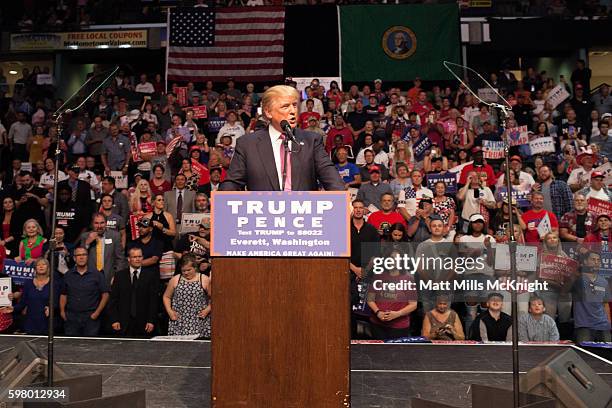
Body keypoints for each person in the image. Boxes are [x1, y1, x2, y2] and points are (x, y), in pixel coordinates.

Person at [220, 85, 344, 191]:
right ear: (268, 112)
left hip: (304, 215)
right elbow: (233, 182)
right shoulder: (247, 144)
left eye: (295, 105)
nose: (293, 111)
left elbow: (329, 174)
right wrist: (221, 205)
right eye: (285, 106)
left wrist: (342, 199)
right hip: (263, 216)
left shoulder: (312, 141)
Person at [60, 247, 110, 337]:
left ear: (87, 257)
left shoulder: (97, 275)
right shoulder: (68, 275)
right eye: (78, 255)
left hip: (90, 317)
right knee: (71, 345)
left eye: (84, 255)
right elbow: (63, 294)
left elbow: (105, 295)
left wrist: (96, 313)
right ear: (74, 258)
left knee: (90, 346)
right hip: (72, 317)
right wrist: (62, 312)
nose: (81, 257)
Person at [108, 247, 158, 337]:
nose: (137, 259)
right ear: (129, 259)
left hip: (144, 324)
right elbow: (113, 300)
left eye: (139, 256)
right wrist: (114, 319)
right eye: (134, 257)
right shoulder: (119, 276)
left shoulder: (150, 276)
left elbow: (153, 300)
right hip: (123, 323)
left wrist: (151, 321)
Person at [163, 254, 211, 338]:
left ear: (195, 268)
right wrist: (170, 311)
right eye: (183, 270)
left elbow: (215, 298)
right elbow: (166, 297)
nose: (185, 273)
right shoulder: (175, 279)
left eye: (189, 270)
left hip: (199, 321)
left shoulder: (204, 279)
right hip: (179, 322)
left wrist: (207, 310)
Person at [13, 258, 60, 335]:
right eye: (38, 265)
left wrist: (51, 307)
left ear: (48, 268)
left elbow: (56, 301)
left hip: (47, 322)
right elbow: (22, 303)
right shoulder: (28, 283)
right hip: (31, 322)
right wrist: (12, 308)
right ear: (35, 268)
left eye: (43, 264)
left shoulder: (54, 283)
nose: (41, 266)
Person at [572, 250, 611, 342]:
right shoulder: (577, 280)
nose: (596, 262)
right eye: (593, 259)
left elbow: (605, 304)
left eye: (598, 260)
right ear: (585, 262)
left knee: (608, 354)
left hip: (602, 325)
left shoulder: (604, 282)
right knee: (583, 354)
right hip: (584, 325)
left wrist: (608, 323)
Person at [79, 213, 124, 285]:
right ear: (92, 224)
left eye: (102, 223)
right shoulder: (85, 236)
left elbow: (120, 259)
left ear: (106, 223)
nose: (99, 226)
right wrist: (87, 243)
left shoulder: (115, 236)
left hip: (109, 277)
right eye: (96, 223)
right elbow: (80, 258)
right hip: (90, 278)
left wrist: (117, 276)